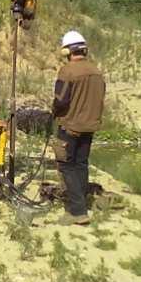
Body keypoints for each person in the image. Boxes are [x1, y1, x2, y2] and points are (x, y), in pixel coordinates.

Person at [52, 30, 105, 225]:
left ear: (67, 52)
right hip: (90, 127)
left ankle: (77, 211)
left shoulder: (68, 71)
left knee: (66, 166)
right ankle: (82, 201)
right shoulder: (97, 72)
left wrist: (54, 112)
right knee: (81, 164)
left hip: (70, 126)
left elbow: (60, 101)